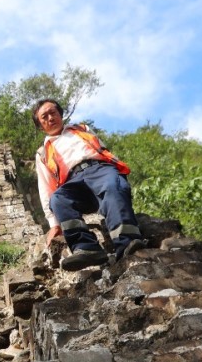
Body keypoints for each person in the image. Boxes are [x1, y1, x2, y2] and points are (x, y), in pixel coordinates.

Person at [33, 98, 144, 271]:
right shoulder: (42, 153)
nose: (50, 118)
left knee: (112, 187)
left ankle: (127, 242)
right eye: (44, 117)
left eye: (52, 113)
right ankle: (86, 247)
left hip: (99, 169)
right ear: (40, 126)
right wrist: (53, 224)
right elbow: (45, 188)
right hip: (74, 181)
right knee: (58, 199)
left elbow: (99, 147)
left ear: (60, 114)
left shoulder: (81, 129)